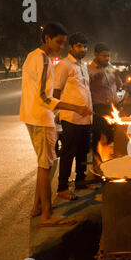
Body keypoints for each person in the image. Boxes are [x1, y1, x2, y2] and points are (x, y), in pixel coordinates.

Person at [20, 22, 92, 226]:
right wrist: (75, 108)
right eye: (59, 42)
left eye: (63, 43)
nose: (61, 46)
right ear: (47, 39)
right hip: (41, 118)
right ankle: (47, 215)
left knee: (44, 165)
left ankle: (37, 208)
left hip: (31, 116)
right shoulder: (43, 60)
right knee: (47, 166)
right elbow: (44, 98)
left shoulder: (31, 56)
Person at [53, 32, 94, 200]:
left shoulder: (83, 65)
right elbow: (56, 90)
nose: (82, 49)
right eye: (79, 46)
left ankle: (80, 181)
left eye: (85, 46)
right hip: (70, 117)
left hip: (86, 118)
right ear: (71, 47)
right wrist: (56, 112)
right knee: (69, 152)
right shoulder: (64, 65)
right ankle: (62, 187)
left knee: (83, 151)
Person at [88, 43, 120, 172]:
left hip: (112, 108)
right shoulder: (89, 70)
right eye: (104, 56)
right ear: (96, 55)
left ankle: (111, 165)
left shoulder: (111, 68)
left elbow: (119, 85)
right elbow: (86, 88)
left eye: (108, 56)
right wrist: (95, 78)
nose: (107, 58)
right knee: (98, 137)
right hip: (99, 108)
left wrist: (118, 76)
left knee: (112, 137)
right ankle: (97, 167)